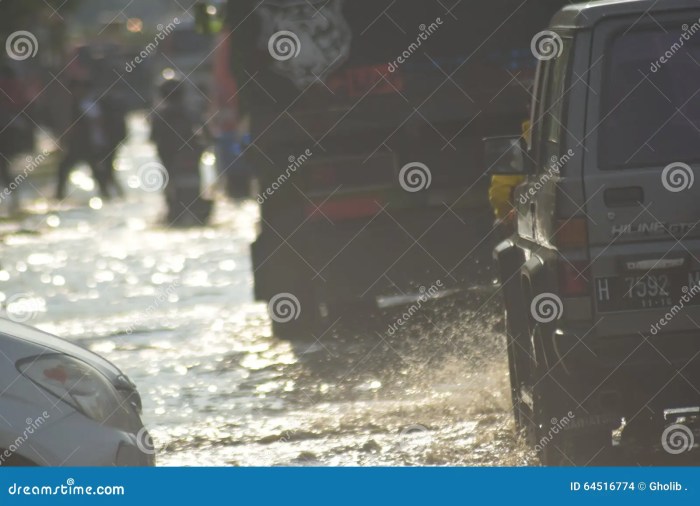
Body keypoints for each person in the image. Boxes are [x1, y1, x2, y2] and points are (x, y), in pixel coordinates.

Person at [150, 78, 210, 225]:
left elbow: (153, 138)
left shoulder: (159, 116)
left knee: (170, 186)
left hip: (171, 158)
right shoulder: (191, 112)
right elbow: (207, 133)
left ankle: (174, 210)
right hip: (189, 156)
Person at [55, 78, 111, 201]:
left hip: (88, 145)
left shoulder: (88, 103)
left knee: (97, 171)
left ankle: (106, 194)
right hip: (78, 145)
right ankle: (59, 195)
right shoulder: (76, 104)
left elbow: (98, 122)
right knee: (64, 169)